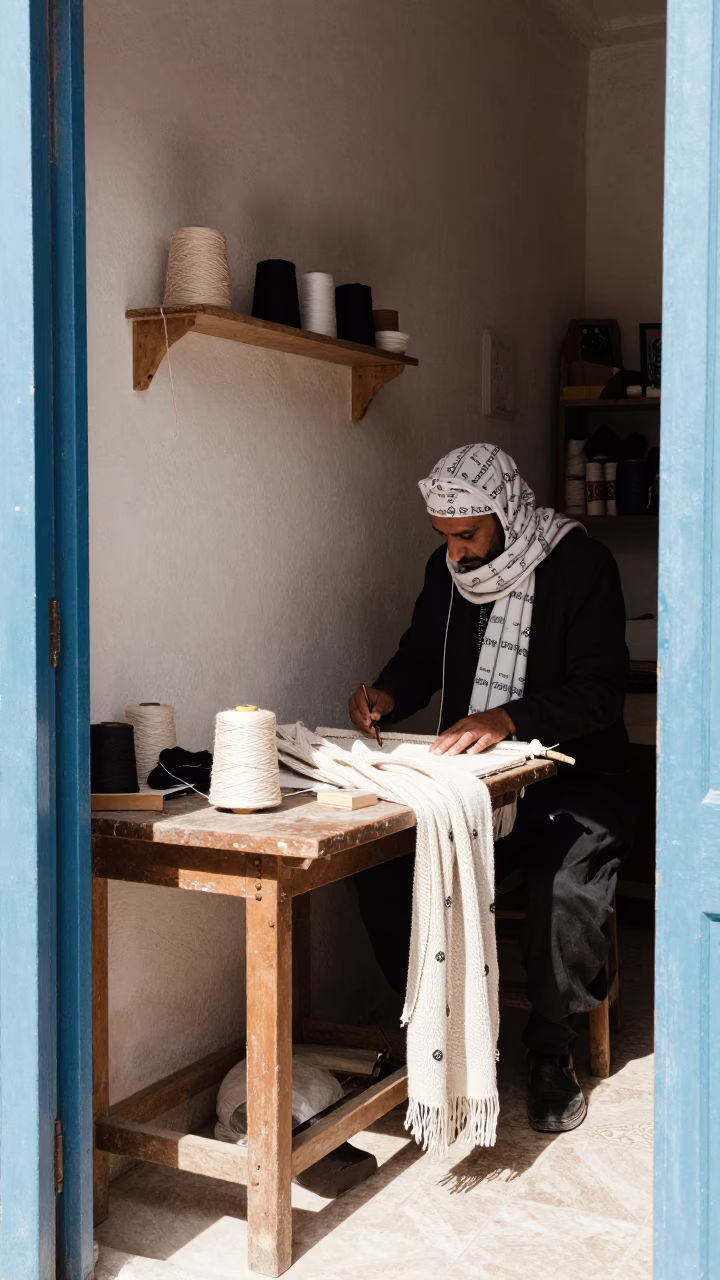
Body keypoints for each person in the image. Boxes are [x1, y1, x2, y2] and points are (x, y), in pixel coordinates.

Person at [348, 443, 633, 1133]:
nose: (459, 553)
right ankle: (441, 1025)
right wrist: (387, 694)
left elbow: (600, 691)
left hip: (572, 780)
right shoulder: (447, 570)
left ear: (506, 513)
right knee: (381, 866)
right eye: (446, 538)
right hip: (477, 789)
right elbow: (421, 654)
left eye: (469, 535)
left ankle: (549, 1050)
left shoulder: (581, 566)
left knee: (561, 890)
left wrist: (509, 719)